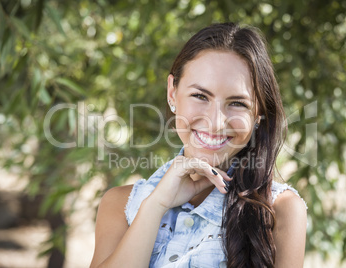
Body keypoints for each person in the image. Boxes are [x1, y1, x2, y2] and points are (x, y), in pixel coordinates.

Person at [90, 22, 307, 268]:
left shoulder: (280, 211)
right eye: (200, 96)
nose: (215, 122)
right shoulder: (120, 205)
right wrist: (156, 204)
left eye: (237, 103)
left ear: (258, 114)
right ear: (172, 93)